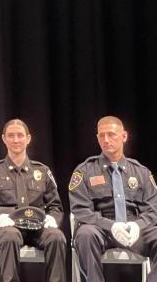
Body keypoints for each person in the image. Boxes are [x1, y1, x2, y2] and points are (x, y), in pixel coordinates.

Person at [0, 119, 66, 282]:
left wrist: (53, 218)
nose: (16, 140)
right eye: (11, 136)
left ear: (28, 138)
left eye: (20, 135)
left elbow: (55, 206)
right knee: (10, 236)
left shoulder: (42, 171)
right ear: (3, 139)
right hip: (6, 228)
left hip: (37, 227)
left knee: (56, 237)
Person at [70, 116, 157, 282]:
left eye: (111, 134)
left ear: (124, 136)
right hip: (100, 228)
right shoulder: (84, 170)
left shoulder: (141, 171)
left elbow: (153, 208)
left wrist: (137, 225)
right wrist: (110, 225)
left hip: (134, 229)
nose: (106, 140)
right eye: (101, 136)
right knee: (84, 234)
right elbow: (80, 209)